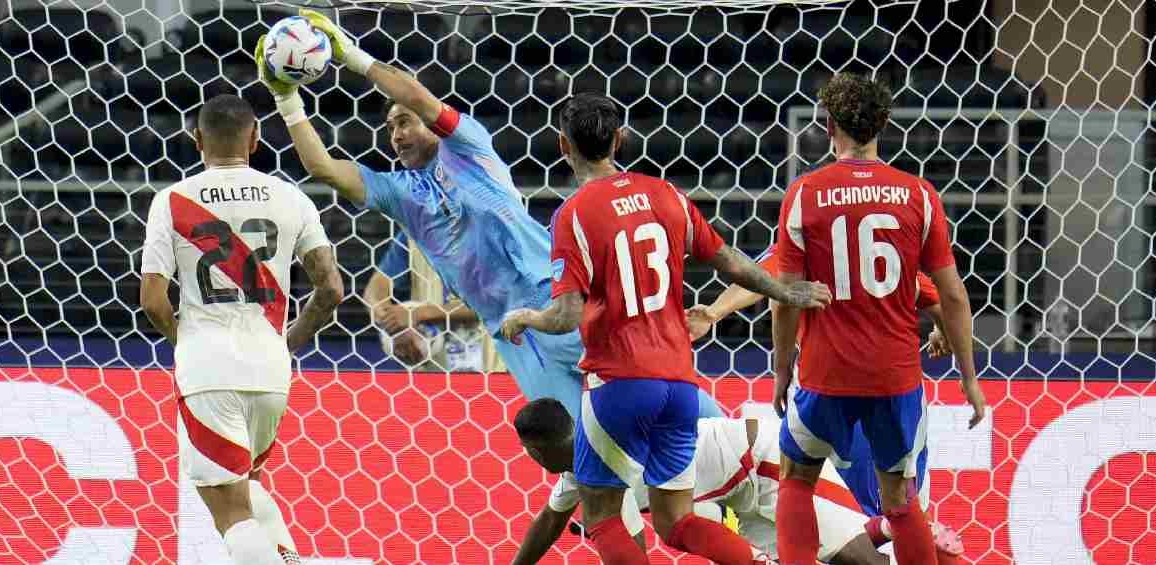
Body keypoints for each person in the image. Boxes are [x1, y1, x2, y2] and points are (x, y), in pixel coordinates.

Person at [253, 9, 724, 421]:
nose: (395, 134)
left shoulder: (468, 147)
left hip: (561, 301)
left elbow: (417, 95)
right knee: (574, 446)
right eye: (389, 127)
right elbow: (321, 167)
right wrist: (285, 97)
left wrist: (351, 56)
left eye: (403, 121)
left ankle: (741, 449)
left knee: (661, 399)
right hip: (511, 335)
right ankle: (617, 516)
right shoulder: (398, 192)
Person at [500, 92, 831, 565]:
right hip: (679, 384)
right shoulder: (666, 194)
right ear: (620, 139)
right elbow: (728, 260)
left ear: (561, 145)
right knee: (676, 521)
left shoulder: (572, 215)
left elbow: (566, 315)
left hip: (619, 383)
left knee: (602, 516)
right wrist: (786, 292)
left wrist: (525, 318)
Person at [768, 73, 985, 565]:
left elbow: (784, 298)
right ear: (885, 124)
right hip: (895, 376)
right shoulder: (918, 194)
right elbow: (951, 294)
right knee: (901, 502)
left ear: (827, 127)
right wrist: (970, 379)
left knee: (796, 480)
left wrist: (782, 372)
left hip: (826, 373)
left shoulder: (804, 193)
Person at [139, 94, 344, 565]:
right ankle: (289, 559)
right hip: (270, 368)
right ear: (255, 139)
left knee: (229, 513)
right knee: (247, 489)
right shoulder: (291, 197)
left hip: (208, 367)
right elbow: (331, 288)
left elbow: (152, 300)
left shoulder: (172, 200)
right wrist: (287, 340)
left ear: (196, 140)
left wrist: (185, 340)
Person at [687, 245, 964, 562]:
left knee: (840, 531)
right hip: (895, 395)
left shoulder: (811, 236)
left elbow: (763, 276)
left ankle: (895, 533)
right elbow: (942, 299)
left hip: (829, 398)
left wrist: (716, 311)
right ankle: (903, 533)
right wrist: (944, 333)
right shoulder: (884, 244)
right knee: (898, 515)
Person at [511, 397, 944, 565]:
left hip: (764, 461)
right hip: (737, 500)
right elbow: (548, 522)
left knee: (860, 563)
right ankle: (885, 528)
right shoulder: (578, 472)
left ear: (535, 449)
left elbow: (632, 553)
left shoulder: (604, 470)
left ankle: (894, 529)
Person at [364, 230, 485, 370]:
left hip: (492, 363)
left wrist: (421, 314)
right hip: (431, 365)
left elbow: (500, 303)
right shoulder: (412, 233)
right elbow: (377, 285)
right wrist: (394, 324)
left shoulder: (491, 231)